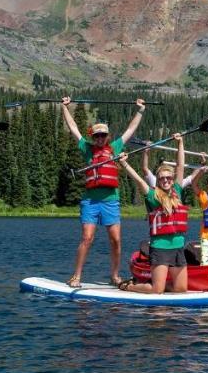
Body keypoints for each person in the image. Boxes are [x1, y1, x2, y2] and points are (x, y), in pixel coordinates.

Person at [60, 96, 148, 287]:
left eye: (103, 136)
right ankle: (76, 276)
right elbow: (73, 128)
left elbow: (130, 131)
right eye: (97, 136)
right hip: (90, 202)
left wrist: (140, 110)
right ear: (93, 137)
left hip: (110, 201)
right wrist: (65, 108)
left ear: (107, 137)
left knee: (116, 240)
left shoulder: (115, 147)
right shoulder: (87, 149)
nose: (100, 139)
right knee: (87, 238)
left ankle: (115, 276)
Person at [117, 137, 188, 294]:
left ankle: (159, 284)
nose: (165, 180)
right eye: (161, 178)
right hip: (160, 248)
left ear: (172, 177)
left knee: (181, 289)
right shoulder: (152, 195)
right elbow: (137, 178)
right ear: (158, 180)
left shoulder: (177, 190)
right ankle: (128, 285)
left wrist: (180, 143)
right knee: (157, 290)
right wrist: (124, 163)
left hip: (178, 246)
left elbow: (180, 166)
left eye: (168, 177)